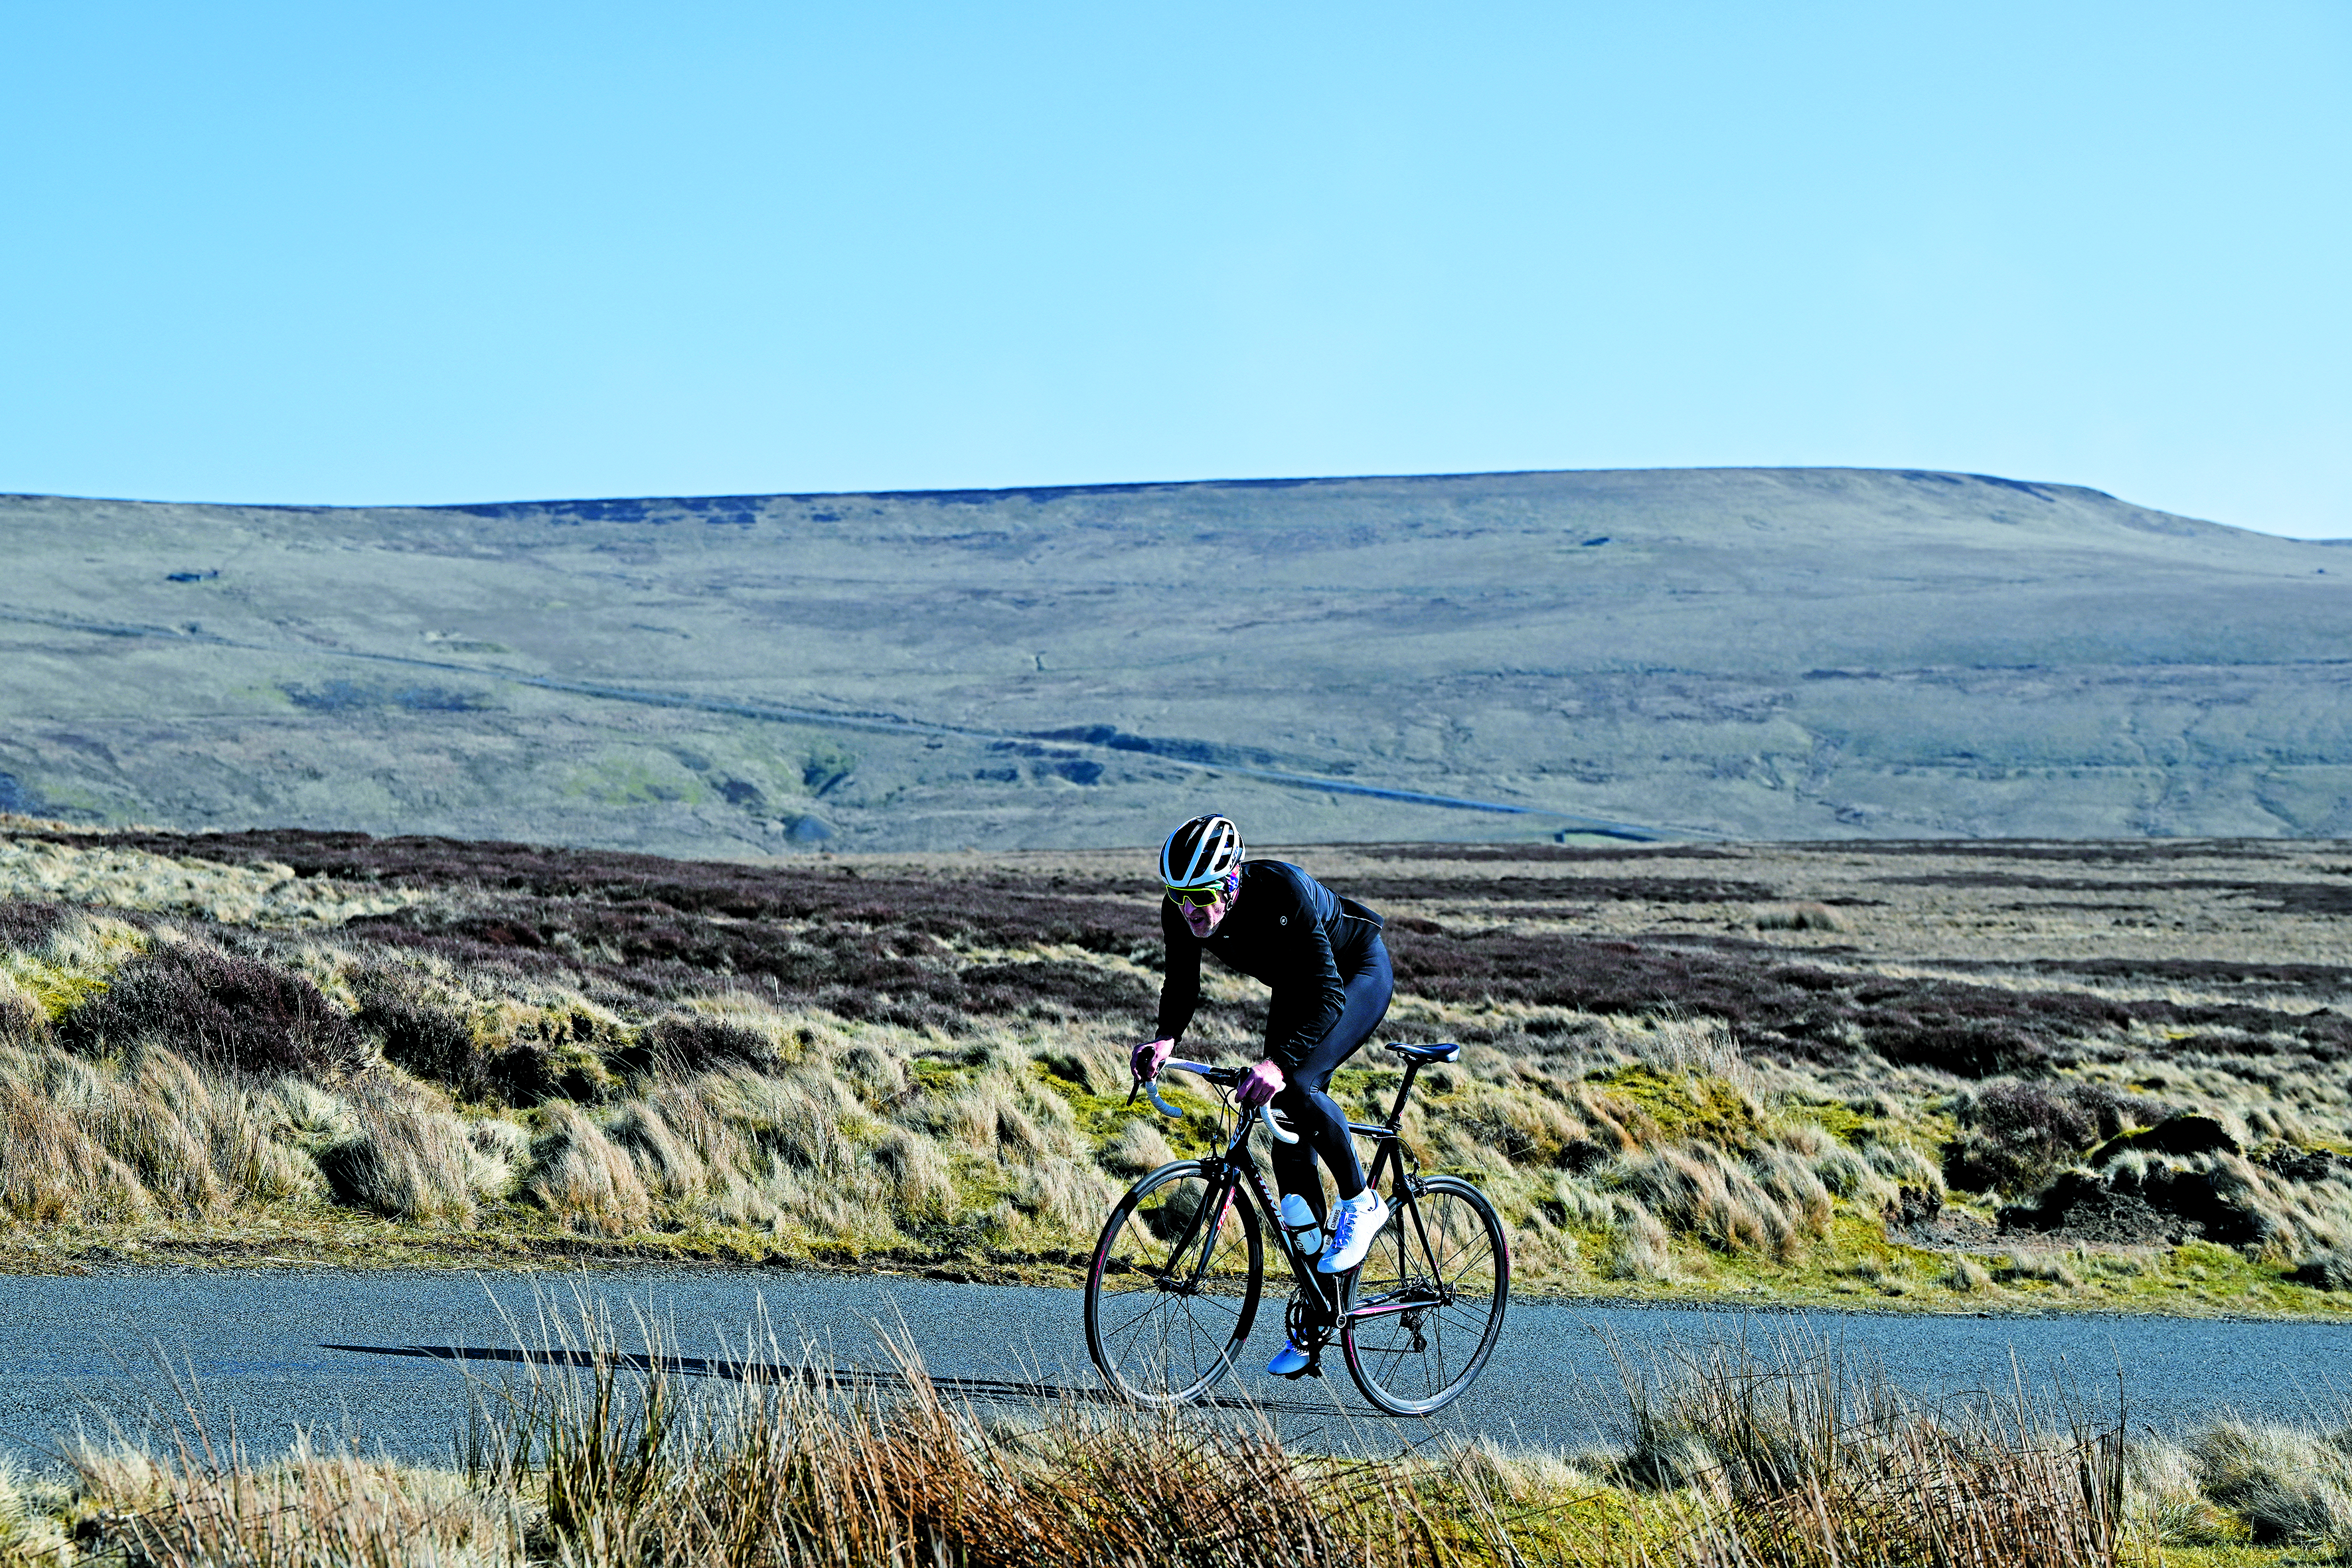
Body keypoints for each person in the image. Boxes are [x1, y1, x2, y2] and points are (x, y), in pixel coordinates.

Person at [1130, 813, 1393, 1377]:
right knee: (1279, 1125)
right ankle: (1319, 1308)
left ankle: (1361, 1203)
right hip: (1300, 986)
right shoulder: (1182, 912)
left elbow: (1327, 999)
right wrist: (1164, 1039)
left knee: (1296, 1084)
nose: (1190, 908)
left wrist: (1277, 1064)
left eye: (1202, 894)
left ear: (1229, 883)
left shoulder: (1280, 889)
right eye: (1177, 896)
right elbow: (1182, 983)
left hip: (1353, 975)